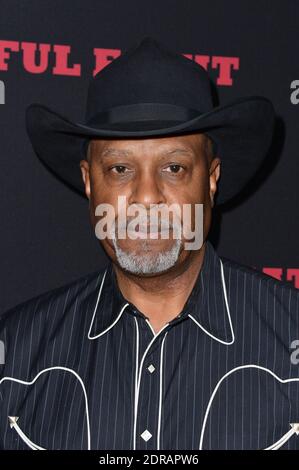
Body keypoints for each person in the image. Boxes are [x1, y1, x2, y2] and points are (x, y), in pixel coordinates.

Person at [1, 36, 299, 451]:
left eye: (174, 167)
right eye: (120, 168)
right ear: (89, 182)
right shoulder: (15, 354)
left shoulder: (291, 338)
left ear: (211, 180)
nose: (145, 196)